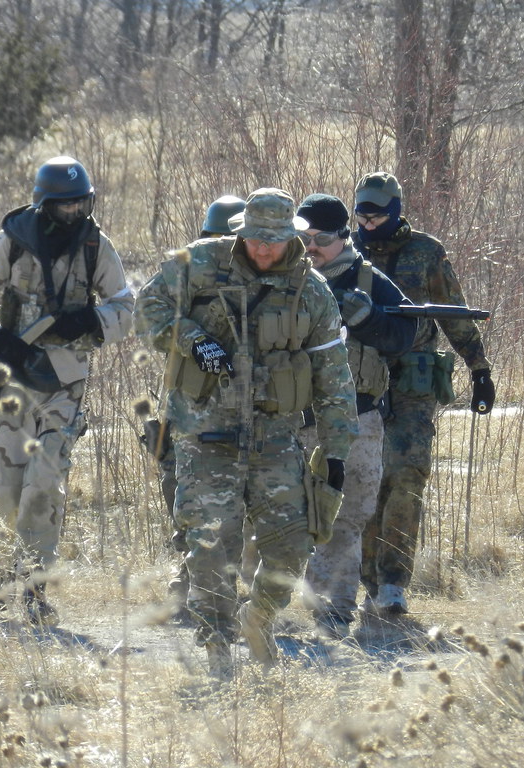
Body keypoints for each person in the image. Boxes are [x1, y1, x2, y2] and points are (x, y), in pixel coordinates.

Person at [133, 188, 358, 677]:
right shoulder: (199, 264)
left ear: (291, 238)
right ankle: (217, 650)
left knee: (293, 543)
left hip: (275, 440)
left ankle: (259, 617)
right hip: (205, 435)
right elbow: (148, 306)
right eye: (254, 239)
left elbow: (333, 375)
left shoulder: (312, 290)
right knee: (211, 547)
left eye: (272, 241)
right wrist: (193, 342)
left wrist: (335, 452)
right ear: (243, 232)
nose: (262, 249)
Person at [0, 156, 134, 626]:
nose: (75, 212)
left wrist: (91, 321)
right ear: (44, 204)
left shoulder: (96, 245)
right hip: (13, 380)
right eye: (65, 205)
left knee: (44, 485)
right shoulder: (13, 240)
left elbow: (125, 306)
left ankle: (34, 588)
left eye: (82, 203)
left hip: (65, 383)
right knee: (4, 483)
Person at [351, 172, 495, 616]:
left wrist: (480, 368)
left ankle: (393, 581)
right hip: (360, 380)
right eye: (362, 213)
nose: (369, 221)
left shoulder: (426, 252)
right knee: (365, 479)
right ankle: (365, 577)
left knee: (408, 474)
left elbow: (454, 314)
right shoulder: (346, 255)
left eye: (377, 213)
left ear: (395, 210)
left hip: (413, 381)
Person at [295, 193, 417, 638]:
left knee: (348, 512)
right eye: (303, 237)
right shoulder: (287, 276)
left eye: (322, 238)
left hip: (356, 417)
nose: (312, 247)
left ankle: (333, 606)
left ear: (344, 236)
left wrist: (366, 318)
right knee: (283, 509)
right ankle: (264, 600)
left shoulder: (369, 280)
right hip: (293, 416)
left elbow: (407, 333)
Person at [146, 194, 248, 617]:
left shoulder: (263, 275)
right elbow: (152, 314)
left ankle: (213, 588)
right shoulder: (187, 272)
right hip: (189, 406)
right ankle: (188, 585)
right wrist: (194, 339)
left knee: (231, 503)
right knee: (187, 499)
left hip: (242, 408)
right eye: (216, 238)